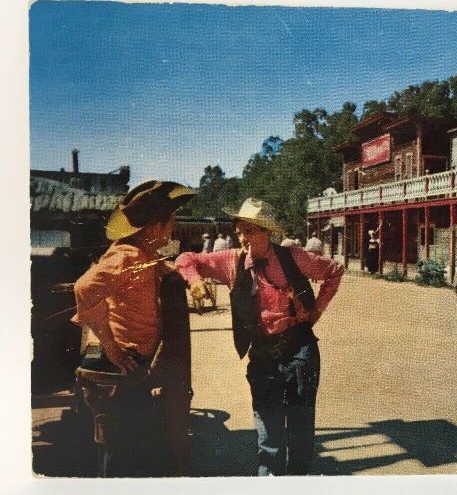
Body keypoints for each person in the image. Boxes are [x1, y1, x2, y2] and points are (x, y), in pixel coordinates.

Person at [174, 198, 343, 476]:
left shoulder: (293, 258)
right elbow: (185, 259)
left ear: (267, 232)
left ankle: (299, 483)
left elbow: (334, 271)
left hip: (299, 347)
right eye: (239, 231)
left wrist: (316, 312)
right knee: (267, 424)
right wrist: (195, 281)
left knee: (300, 424)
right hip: (262, 351)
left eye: (250, 231)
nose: (242, 238)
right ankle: (268, 485)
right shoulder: (232, 261)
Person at [71, 180, 196, 476]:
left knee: (132, 450)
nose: (172, 228)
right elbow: (84, 288)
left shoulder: (143, 256)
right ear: (154, 227)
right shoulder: (128, 255)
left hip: (133, 372)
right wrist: (112, 348)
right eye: (170, 222)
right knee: (120, 456)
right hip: (121, 372)